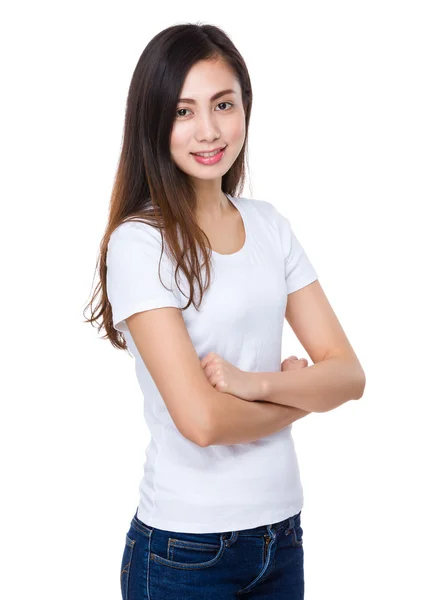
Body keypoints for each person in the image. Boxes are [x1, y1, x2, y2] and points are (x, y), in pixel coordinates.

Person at [84, 22, 366, 600]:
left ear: (245, 108)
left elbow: (349, 375)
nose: (208, 130)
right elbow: (203, 422)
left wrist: (252, 384)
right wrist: (302, 399)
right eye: (183, 111)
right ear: (153, 121)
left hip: (281, 538)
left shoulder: (269, 226)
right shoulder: (140, 243)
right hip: (184, 552)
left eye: (223, 104)